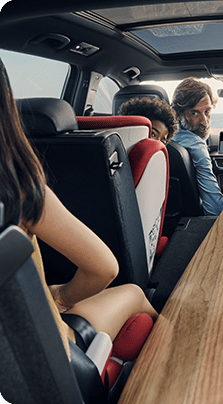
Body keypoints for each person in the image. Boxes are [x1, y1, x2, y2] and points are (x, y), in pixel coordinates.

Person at [0, 58, 158, 357]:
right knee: (135, 293)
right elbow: (104, 268)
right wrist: (61, 296)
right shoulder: (18, 189)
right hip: (43, 360)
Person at [171, 77, 223, 216]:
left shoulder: (163, 136)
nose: (204, 122)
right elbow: (215, 211)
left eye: (207, 111)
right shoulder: (196, 145)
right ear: (178, 115)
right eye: (194, 113)